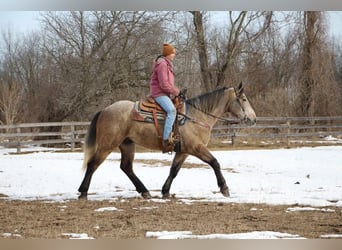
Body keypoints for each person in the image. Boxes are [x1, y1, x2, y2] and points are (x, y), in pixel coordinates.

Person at [150, 43, 181, 152]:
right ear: (168, 54)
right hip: (159, 93)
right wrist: (177, 92)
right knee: (172, 111)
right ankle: (166, 139)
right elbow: (164, 84)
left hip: (165, 93)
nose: (174, 55)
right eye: (173, 53)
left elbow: (168, 84)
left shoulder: (166, 64)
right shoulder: (163, 64)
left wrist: (177, 92)